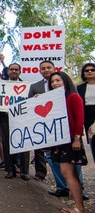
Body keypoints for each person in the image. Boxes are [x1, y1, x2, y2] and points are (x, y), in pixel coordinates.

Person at [48, 71, 87, 213]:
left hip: (70, 140)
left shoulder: (73, 97)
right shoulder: (56, 100)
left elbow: (80, 119)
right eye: (52, 82)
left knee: (67, 173)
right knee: (70, 174)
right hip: (59, 141)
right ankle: (78, 206)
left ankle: (79, 208)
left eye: (58, 80)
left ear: (65, 81)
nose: (55, 83)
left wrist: (77, 138)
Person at [0, 62, 30, 180]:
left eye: (16, 69)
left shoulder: (26, 86)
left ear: (20, 72)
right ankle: (9, 170)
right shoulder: (1, 86)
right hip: (5, 119)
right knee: (6, 144)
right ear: (8, 71)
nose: (14, 71)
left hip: (22, 118)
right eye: (12, 69)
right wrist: (2, 110)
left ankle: (24, 171)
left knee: (24, 144)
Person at [27, 60, 56, 181]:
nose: (46, 70)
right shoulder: (35, 86)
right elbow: (29, 103)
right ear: (40, 71)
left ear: (54, 69)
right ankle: (40, 173)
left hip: (57, 120)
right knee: (39, 148)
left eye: (49, 67)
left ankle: (61, 177)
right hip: (41, 121)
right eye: (43, 68)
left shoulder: (62, 83)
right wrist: (34, 100)